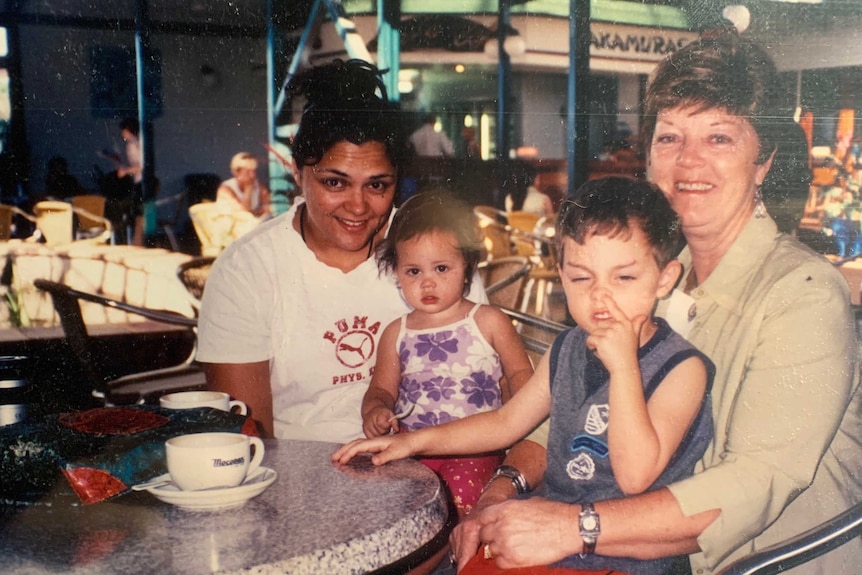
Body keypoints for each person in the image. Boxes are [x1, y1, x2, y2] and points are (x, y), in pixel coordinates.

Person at [449, 32, 861, 575]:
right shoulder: (652, 272)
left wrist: (574, 526)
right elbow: (570, 413)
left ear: (763, 162)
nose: (688, 162)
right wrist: (503, 491)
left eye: (719, 138)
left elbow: (755, 483)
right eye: (669, 139)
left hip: (767, 560)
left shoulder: (802, 295)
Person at [335, 176, 715, 575]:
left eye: (623, 278)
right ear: (562, 276)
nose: (600, 296)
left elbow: (635, 476)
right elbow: (505, 422)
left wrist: (623, 369)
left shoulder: (681, 367)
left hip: (625, 553)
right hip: (545, 528)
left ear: (666, 279)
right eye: (582, 278)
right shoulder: (567, 348)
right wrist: (411, 443)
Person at [196, 59, 486, 442]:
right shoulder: (248, 269)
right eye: (336, 182)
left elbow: (494, 379)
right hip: (300, 473)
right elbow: (251, 437)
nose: (358, 207)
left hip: (431, 459)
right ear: (298, 173)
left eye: (377, 186)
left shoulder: (436, 251)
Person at [362, 190, 533, 518]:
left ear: (467, 266)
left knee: (456, 501)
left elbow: (521, 375)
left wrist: (519, 422)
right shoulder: (396, 333)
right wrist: (375, 411)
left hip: (476, 447)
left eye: (441, 268)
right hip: (410, 446)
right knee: (388, 504)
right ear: (396, 272)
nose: (427, 283)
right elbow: (381, 389)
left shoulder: (488, 320)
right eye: (414, 271)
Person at [216, 152, 272, 219]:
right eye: (248, 172)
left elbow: (269, 206)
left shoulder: (257, 185)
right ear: (236, 172)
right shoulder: (225, 189)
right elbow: (243, 213)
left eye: (254, 171)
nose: (253, 175)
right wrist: (248, 188)